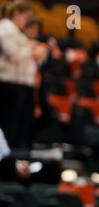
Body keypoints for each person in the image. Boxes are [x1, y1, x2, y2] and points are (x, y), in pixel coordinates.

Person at [0, 0, 47, 149]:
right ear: (15, 13)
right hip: (9, 83)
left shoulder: (17, 32)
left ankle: (13, 159)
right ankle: (6, 160)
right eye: (25, 16)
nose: (26, 21)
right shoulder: (5, 28)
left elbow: (30, 59)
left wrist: (38, 53)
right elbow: (13, 54)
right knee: (8, 125)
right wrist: (32, 51)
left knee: (18, 126)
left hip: (22, 84)